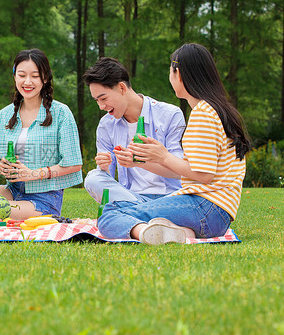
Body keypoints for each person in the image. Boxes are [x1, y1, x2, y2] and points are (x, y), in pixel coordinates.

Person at [97, 43, 251, 245]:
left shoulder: (203, 114)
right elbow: (193, 170)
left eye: (170, 70)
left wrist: (163, 155)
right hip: (216, 214)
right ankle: (179, 233)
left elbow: (203, 175)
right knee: (121, 209)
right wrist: (146, 160)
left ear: (178, 73)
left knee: (110, 213)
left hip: (205, 207)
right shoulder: (215, 110)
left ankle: (144, 232)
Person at [0, 49, 83, 220]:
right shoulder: (4, 114)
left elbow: (74, 164)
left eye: (35, 76)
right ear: (15, 76)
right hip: (12, 190)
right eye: (22, 75)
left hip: (44, 198)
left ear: (45, 78)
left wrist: (34, 174)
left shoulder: (61, 113)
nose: (28, 82)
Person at [83, 57, 186, 205]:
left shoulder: (169, 115)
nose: (101, 106)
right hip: (131, 197)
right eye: (96, 101)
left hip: (170, 196)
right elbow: (106, 180)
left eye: (103, 98)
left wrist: (138, 162)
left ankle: (137, 212)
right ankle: (142, 209)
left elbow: (180, 172)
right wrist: (104, 167)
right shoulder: (106, 125)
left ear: (122, 88)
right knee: (93, 178)